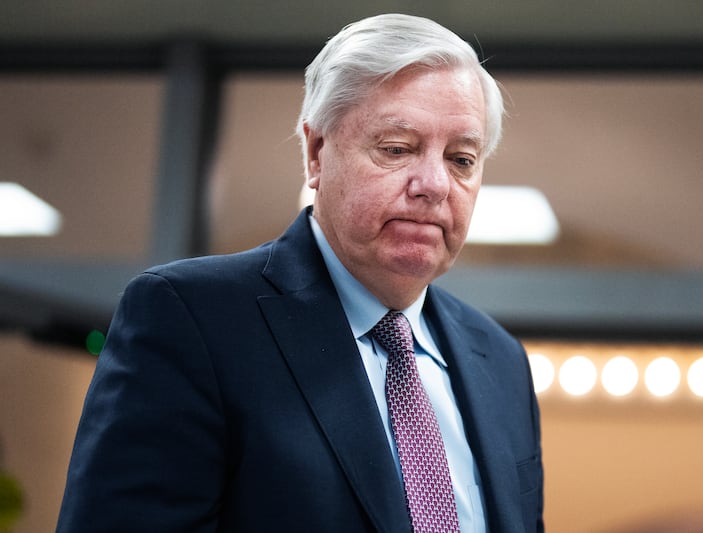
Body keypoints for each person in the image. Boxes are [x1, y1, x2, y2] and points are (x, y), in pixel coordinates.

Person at [57, 13, 544, 533]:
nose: (434, 184)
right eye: (397, 149)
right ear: (316, 154)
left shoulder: (500, 361)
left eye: (461, 159)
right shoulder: (190, 319)